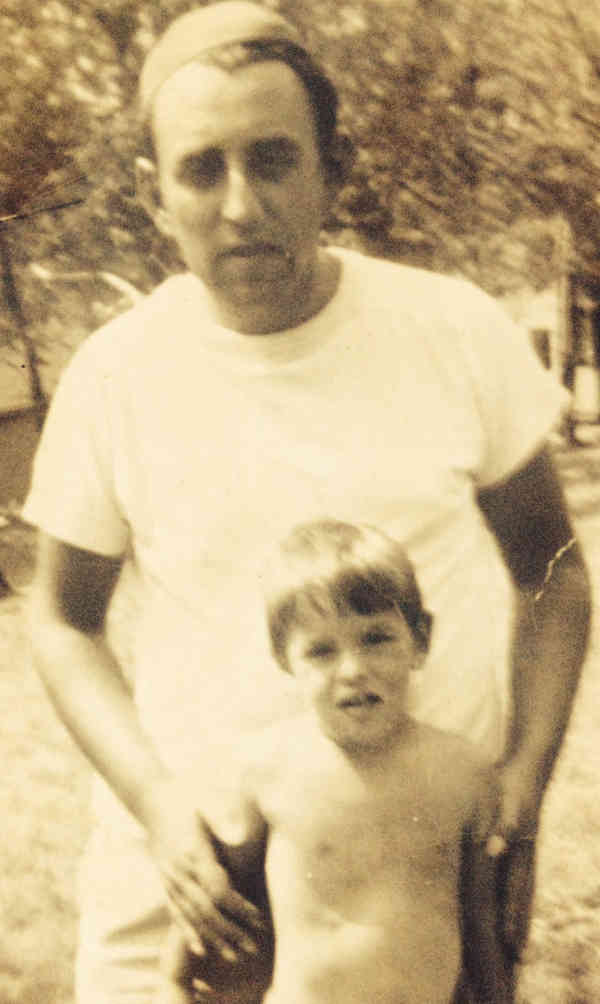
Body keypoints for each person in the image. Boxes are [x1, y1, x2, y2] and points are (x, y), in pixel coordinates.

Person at [23, 3, 590, 1002]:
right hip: (197, 886)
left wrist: (523, 783)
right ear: (155, 196)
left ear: (336, 167)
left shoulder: (451, 329)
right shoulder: (116, 375)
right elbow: (62, 620)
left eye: (275, 159)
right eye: (202, 169)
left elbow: (552, 571)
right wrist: (157, 803)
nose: (241, 205)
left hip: (405, 895)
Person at [156, 519, 514, 1004]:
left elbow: (481, 929)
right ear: (285, 661)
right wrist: (173, 985)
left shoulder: (464, 773)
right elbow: (207, 911)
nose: (353, 669)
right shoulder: (269, 773)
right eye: (321, 651)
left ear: (421, 639)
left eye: (376, 638)